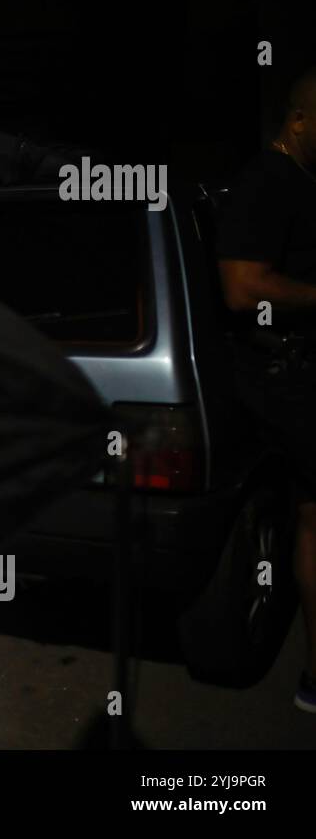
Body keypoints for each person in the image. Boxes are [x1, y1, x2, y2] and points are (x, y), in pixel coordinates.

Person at [215, 66, 316, 712]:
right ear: (299, 119)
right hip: (288, 376)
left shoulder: (303, 182)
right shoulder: (267, 182)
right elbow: (243, 288)